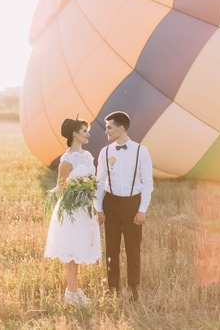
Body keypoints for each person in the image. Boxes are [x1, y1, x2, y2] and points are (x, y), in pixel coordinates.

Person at [95, 111, 153, 301]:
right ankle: (113, 288)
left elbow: (148, 183)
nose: (106, 131)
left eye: (109, 127)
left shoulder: (140, 151)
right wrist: (99, 208)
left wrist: (142, 209)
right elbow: (100, 182)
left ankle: (134, 288)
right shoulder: (105, 152)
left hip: (132, 203)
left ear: (121, 128)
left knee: (133, 248)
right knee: (111, 248)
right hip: (111, 203)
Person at [44, 117, 101, 306]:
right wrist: (77, 190)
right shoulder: (66, 160)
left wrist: (90, 190)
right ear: (75, 134)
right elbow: (60, 187)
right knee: (71, 250)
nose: (88, 134)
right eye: (85, 131)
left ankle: (74, 290)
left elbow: (93, 179)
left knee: (79, 248)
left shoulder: (88, 156)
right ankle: (72, 292)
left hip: (86, 208)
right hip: (71, 208)